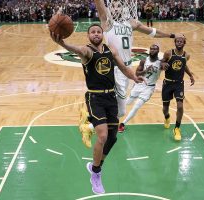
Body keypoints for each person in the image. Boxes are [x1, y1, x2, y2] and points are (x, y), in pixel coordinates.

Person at [51, 24, 144, 194]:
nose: (96, 34)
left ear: (102, 34)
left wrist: (134, 77)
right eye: (92, 32)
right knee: (102, 136)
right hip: (95, 98)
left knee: (113, 138)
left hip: (110, 97)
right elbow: (78, 50)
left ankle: (96, 165)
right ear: (88, 35)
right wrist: (63, 44)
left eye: (98, 31)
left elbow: (123, 67)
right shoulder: (87, 51)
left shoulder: (110, 50)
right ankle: (96, 174)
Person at [79, 0, 177, 148]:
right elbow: (100, 6)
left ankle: (89, 117)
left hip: (128, 69)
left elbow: (154, 33)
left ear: (125, 7)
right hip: (116, 69)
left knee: (121, 111)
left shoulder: (132, 23)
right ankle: (89, 126)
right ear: (110, 8)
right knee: (120, 110)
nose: (117, 8)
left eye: (119, 5)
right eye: (113, 5)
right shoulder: (107, 23)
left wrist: (172, 35)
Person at [118, 44, 163, 132]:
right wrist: (146, 71)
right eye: (151, 49)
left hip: (149, 88)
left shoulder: (161, 63)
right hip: (139, 84)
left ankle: (123, 124)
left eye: (155, 49)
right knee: (126, 103)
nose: (153, 50)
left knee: (136, 106)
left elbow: (167, 65)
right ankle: (110, 118)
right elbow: (137, 74)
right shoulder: (144, 61)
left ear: (158, 51)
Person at [161, 35, 195, 141]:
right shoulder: (168, 53)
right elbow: (161, 62)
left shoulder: (186, 55)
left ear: (184, 43)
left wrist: (190, 75)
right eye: (177, 41)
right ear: (175, 42)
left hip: (179, 84)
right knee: (165, 109)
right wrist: (163, 64)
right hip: (167, 83)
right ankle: (167, 117)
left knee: (180, 106)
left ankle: (176, 128)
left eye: (181, 41)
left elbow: (184, 66)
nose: (179, 42)